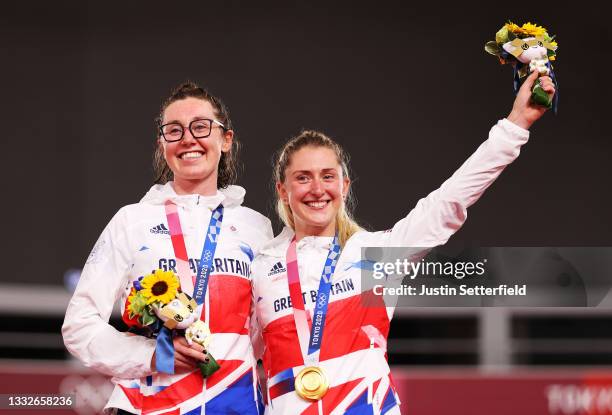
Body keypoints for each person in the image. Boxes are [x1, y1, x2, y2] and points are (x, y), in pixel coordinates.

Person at [251, 70, 556, 414]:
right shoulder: (261, 266)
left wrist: (516, 124)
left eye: (328, 177)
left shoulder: (372, 256)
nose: (317, 189)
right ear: (283, 191)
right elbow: (235, 355)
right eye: (302, 178)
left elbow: (448, 203)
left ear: (345, 186)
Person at [62, 81, 273, 414]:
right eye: (174, 130)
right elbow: (79, 325)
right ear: (163, 144)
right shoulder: (132, 220)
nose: (188, 138)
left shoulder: (256, 227)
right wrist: (152, 355)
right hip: (147, 406)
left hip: (235, 404)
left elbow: (265, 332)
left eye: (201, 127)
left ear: (226, 140)